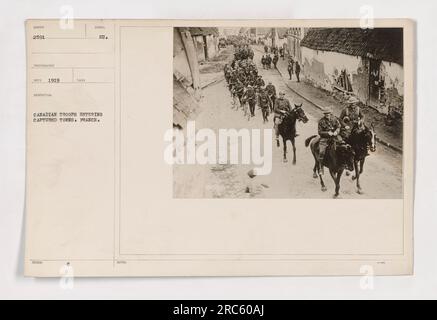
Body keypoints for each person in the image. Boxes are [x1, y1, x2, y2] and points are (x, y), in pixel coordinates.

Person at [317, 106, 341, 174]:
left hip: (335, 137)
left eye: (328, 113)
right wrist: (327, 133)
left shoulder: (334, 119)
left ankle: (344, 163)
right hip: (325, 138)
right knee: (321, 152)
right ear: (324, 114)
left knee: (344, 145)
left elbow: (338, 126)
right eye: (326, 113)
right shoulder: (321, 121)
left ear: (330, 113)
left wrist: (337, 131)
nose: (327, 114)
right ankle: (321, 167)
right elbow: (320, 132)